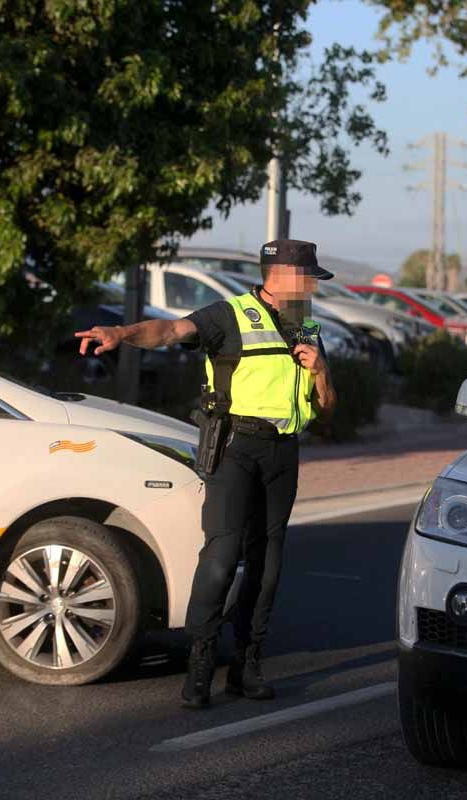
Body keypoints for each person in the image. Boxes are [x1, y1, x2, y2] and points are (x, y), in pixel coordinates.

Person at [74, 239, 337, 709]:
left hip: (283, 452)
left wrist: (320, 373)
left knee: (268, 565)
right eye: (309, 277)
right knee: (221, 555)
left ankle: (247, 666)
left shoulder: (308, 324)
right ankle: (200, 665)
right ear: (282, 276)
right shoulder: (228, 315)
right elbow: (170, 330)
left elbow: (329, 404)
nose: (313, 286)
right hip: (236, 447)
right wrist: (122, 332)